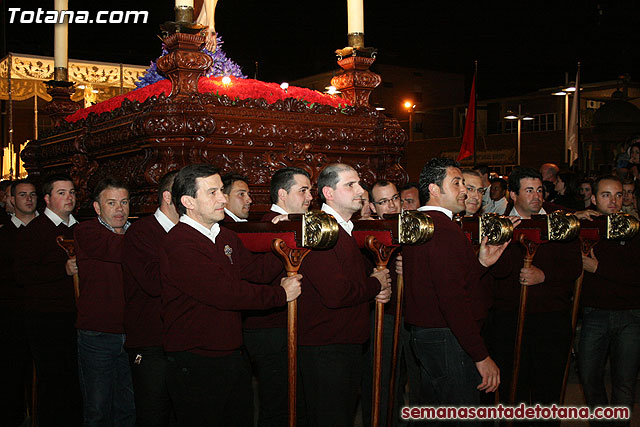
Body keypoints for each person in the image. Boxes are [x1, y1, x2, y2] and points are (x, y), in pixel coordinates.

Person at [160, 164, 301, 427]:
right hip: (196, 360)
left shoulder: (224, 236)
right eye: (212, 192)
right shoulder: (179, 243)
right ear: (188, 201)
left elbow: (256, 271)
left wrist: (286, 236)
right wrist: (280, 295)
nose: (223, 199)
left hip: (232, 355)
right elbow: (226, 293)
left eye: (221, 192)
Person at [402, 158, 507, 411]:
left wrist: (480, 265)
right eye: (457, 183)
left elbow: (441, 282)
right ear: (434, 190)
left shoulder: (422, 224)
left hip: (431, 335)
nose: (465, 191)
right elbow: (453, 300)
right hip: (448, 336)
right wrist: (480, 355)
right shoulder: (443, 229)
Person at [297, 163, 391, 427]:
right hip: (326, 348)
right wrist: (375, 285)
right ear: (328, 192)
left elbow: (356, 280)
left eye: (359, 183)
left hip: (343, 342)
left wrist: (377, 287)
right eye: (350, 185)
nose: (360, 190)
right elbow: (336, 294)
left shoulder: (345, 229)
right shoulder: (320, 230)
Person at [486, 167, 582, 409]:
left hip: (551, 319)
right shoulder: (499, 224)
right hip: (510, 319)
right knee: (513, 390)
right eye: (529, 190)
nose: (536, 196)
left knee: (547, 393)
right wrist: (502, 239)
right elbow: (494, 273)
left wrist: (545, 276)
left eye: (539, 190)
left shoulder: (560, 220)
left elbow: (574, 266)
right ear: (513, 195)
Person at [243, 166, 312, 427]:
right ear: (282, 194)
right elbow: (256, 274)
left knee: (295, 400)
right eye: (302, 190)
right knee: (277, 403)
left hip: (290, 326)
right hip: (270, 328)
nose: (309, 197)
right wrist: (284, 238)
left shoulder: (299, 223)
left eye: (310, 191)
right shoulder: (265, 225)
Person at [15, 174, 82, 426]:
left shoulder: (81, 228)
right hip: (46, 318)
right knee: (53, 379)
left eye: (72, 192)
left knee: (76, 377)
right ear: (47, 198)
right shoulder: (35, 230)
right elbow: (23, 274)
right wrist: (60, 270)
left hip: (77, 316)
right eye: (62, 193)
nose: (69, 197)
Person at [579, 176, 640, 426]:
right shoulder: (585, 225)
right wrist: (574, 213)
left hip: (631, 314)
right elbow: (541, 213)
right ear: (594, 198)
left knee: (624, 382)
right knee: (589, 376)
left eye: (618, 195)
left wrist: (599, 268)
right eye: (606, 195)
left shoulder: (634, 227)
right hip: (594, 314)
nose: (613, 200)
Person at [74, 177, 135, 426]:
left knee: (129, 407)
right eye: (111, 203)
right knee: (98, 409)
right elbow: (120, 250)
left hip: (133, 334)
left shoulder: (138, 233)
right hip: (97, 334)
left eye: (124, 202)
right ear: (98, 208)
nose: (119, 209)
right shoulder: (86, 231)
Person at [122, 171, 179, 427]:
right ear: (168, 197)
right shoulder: (141, 232)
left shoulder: (194, 233)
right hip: (151, 341)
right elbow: (154, 284)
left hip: (184, 340)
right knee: (154, 415)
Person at [0, 179, 38, 426]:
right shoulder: (4, 234)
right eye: (22, 195)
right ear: (12, 200)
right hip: (11, 312)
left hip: (43, 311)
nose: (28, 199)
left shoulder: (46, 230)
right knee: (12, 370)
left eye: (33, 194)